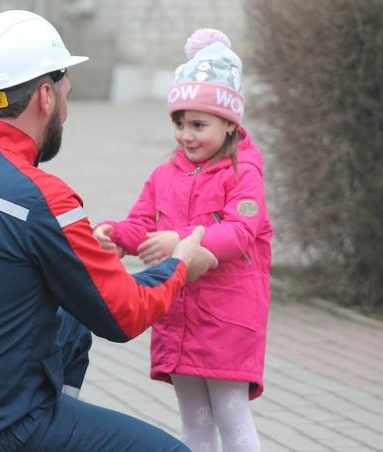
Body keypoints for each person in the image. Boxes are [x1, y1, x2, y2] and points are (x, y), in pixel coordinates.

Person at [0, 10, 217, 452]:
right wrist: (179, 266)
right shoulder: (39, 196)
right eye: (66, 94)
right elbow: (123, 316)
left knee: (74, 319)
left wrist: (87, 259)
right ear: (45, 96)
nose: (67, 107)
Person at [93, 28, 273, 451]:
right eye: (179, 123)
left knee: (231, 415)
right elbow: (141, 224)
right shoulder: (165, 175)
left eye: (199, 124)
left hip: (228, 317)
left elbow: (241, 231)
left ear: (230, 124)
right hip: (178, 316)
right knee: (194, 418)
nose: (186, 135)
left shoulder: (243, 174)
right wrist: (116, 235)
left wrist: (182, 240)